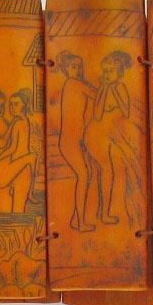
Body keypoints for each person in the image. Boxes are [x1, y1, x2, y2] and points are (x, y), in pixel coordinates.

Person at [84, 51, 142, 225]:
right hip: (95, 134)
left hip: (110, 135)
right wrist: (105, 89)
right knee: (106, 171)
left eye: (111, 71)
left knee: (117, 169)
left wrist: (113, 90)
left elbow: (125, 112)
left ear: (120, 72)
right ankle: (103, 214)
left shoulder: (121, 88)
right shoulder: (102, 89)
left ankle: (104, 211)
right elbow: (97, 115)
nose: (107, 74)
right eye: (105, 71)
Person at [56, 51, 97, 232]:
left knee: (88, 173)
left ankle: (75, 220)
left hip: (76, 140)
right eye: (74, 67)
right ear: (66, 69)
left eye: (80, 66)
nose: (78, 70)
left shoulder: (74, 83)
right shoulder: (73, 83)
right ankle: (80, 224)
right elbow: (96, 95)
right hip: (69, 142)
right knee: (84, 175)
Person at [0, 86, 36, 214]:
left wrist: (12, 124)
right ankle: (31, 193)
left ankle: (30, 192)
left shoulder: (7, 121)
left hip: (11, 167)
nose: (1, 109)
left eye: (2, 105)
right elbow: (3, 144)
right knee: (4, 212)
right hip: (3, 169)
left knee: (10, 212)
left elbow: (9, 141)